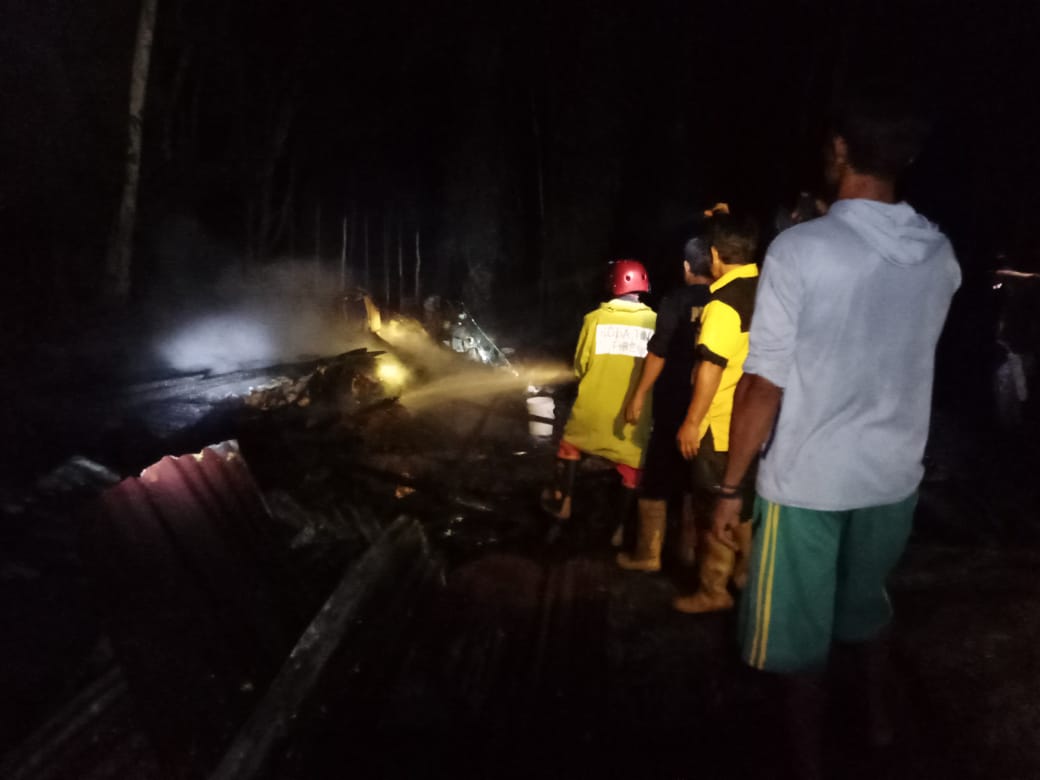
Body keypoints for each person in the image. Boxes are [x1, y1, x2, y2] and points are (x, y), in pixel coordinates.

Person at [709, 94, 960, 777]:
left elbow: (763, 384)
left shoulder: (800, 249)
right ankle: (879, 727)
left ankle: (807, 763)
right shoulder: (939, 254)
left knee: (795, 641)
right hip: (892, 478)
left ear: (841, 150)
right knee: (864, 609)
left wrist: (731, 488)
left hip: (810, 481)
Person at [672, 213, 761, 612]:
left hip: (720, 424)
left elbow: (711, 366)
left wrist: (692, 423)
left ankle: (713, 590)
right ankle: (748, 577)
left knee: (714, 507)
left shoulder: (723, 304)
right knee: (743, 502)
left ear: (713, 255)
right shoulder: (768, 290)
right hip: (756, 423)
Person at [616, 235, 713, 571]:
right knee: (693, 479)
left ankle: (649, 554)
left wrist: (639, 394)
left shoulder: (676, 299)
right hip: (710, 404)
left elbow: (658, 351)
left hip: (673, 402)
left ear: (686, 267)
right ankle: (688, 552)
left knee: (658, 475)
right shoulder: (724, 299)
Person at [541, 260, 657, 531]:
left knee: (569, 445)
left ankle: (565, 504)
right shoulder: (655, 322)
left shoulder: (594, 320)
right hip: (633, 414)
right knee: (632, 466)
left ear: (612, 283)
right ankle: (619, 529)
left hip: (593, 410)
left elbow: (581, 365)